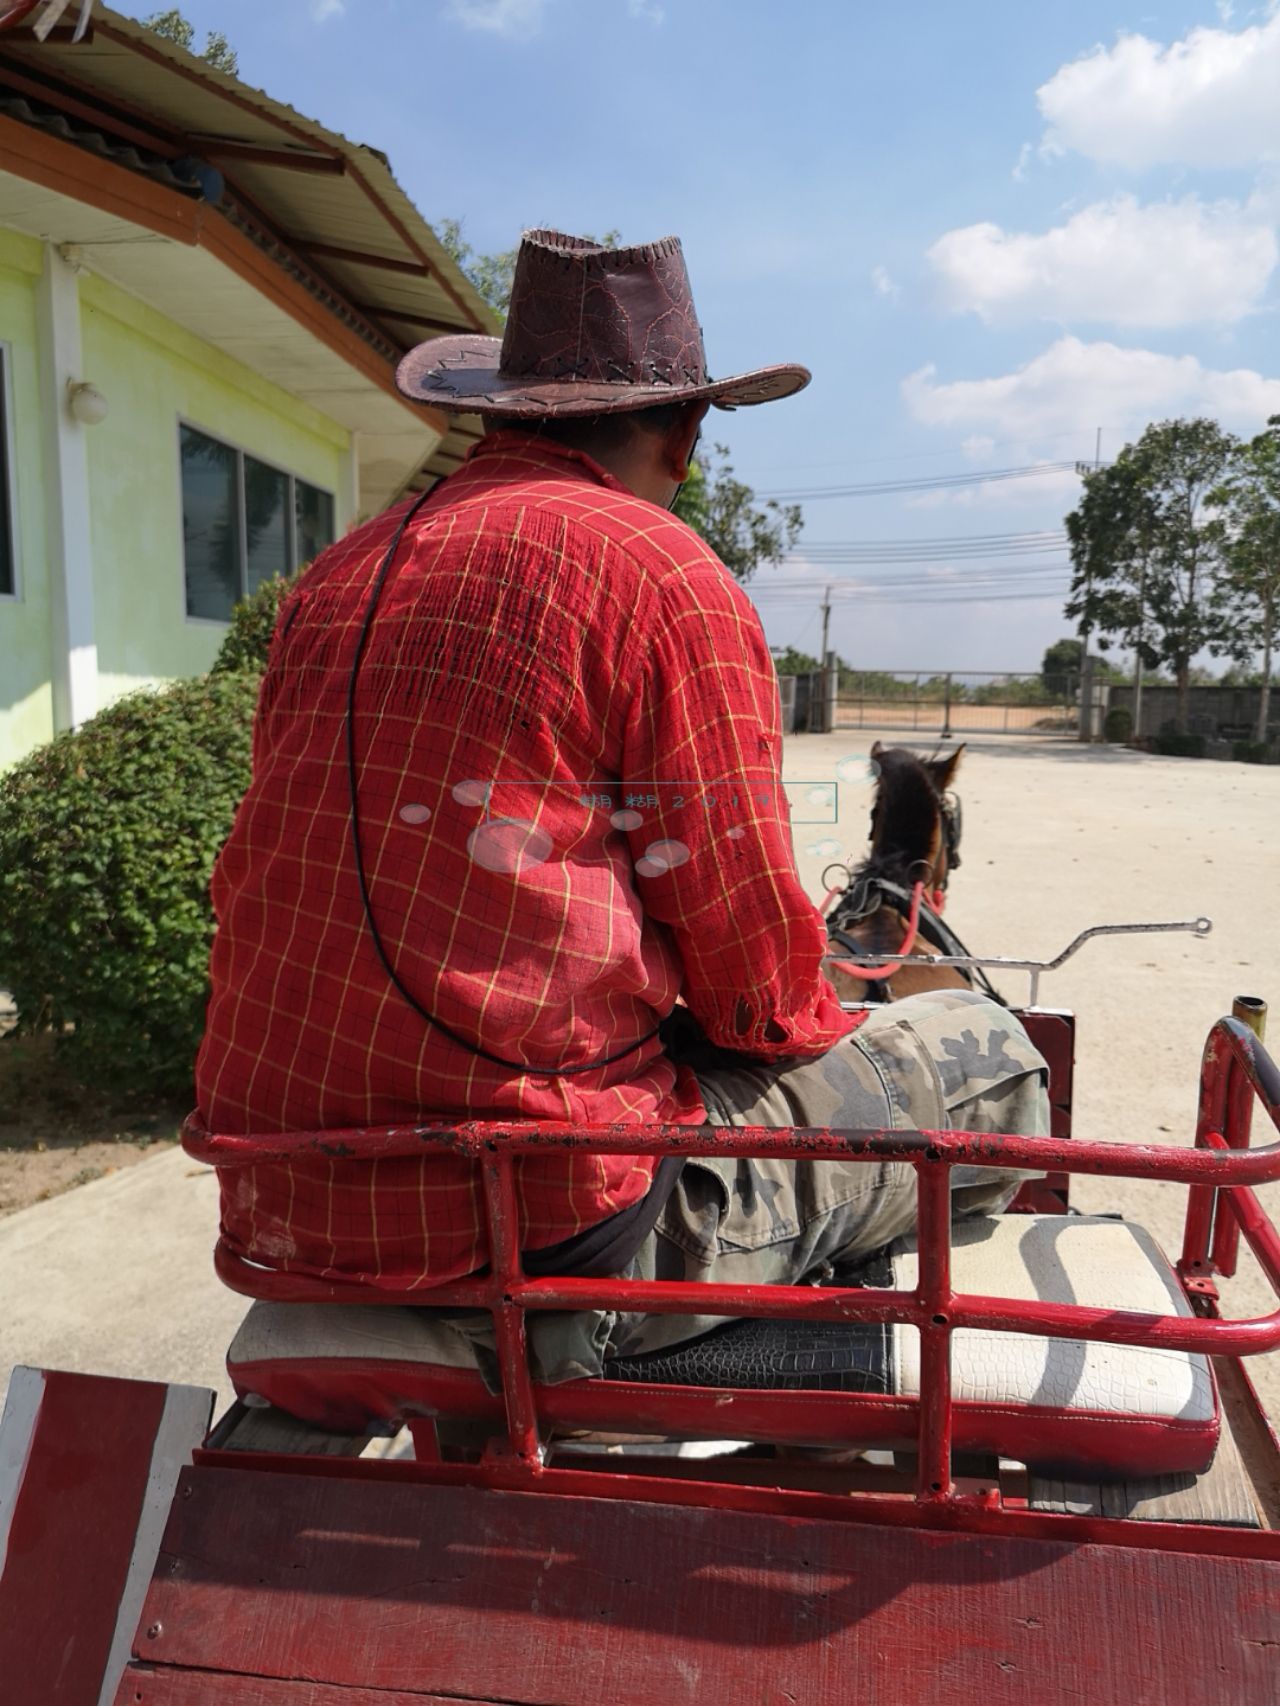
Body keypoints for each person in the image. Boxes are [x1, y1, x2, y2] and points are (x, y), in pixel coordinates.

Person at [195, 229, 1047, 1382]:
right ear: (683, 433)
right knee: (994, 1059)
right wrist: (820, 1008)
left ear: (499, 414)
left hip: (283, 1201)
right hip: (549, 1217)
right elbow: (752, 987)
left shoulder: (334, 577)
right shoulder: (662, 574)